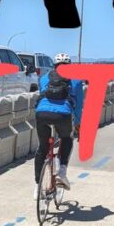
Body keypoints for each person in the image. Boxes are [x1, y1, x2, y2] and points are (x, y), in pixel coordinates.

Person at [33, 52, 84, 196]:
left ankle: (37, 187)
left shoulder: (43, 78)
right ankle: (62, 170)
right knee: (67, 138)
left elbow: (42, 97)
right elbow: (79, 106)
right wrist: (78, 125)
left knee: (43, 148)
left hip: (41, 114)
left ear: (54, 66)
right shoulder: (76, 81)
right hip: (63, 115)